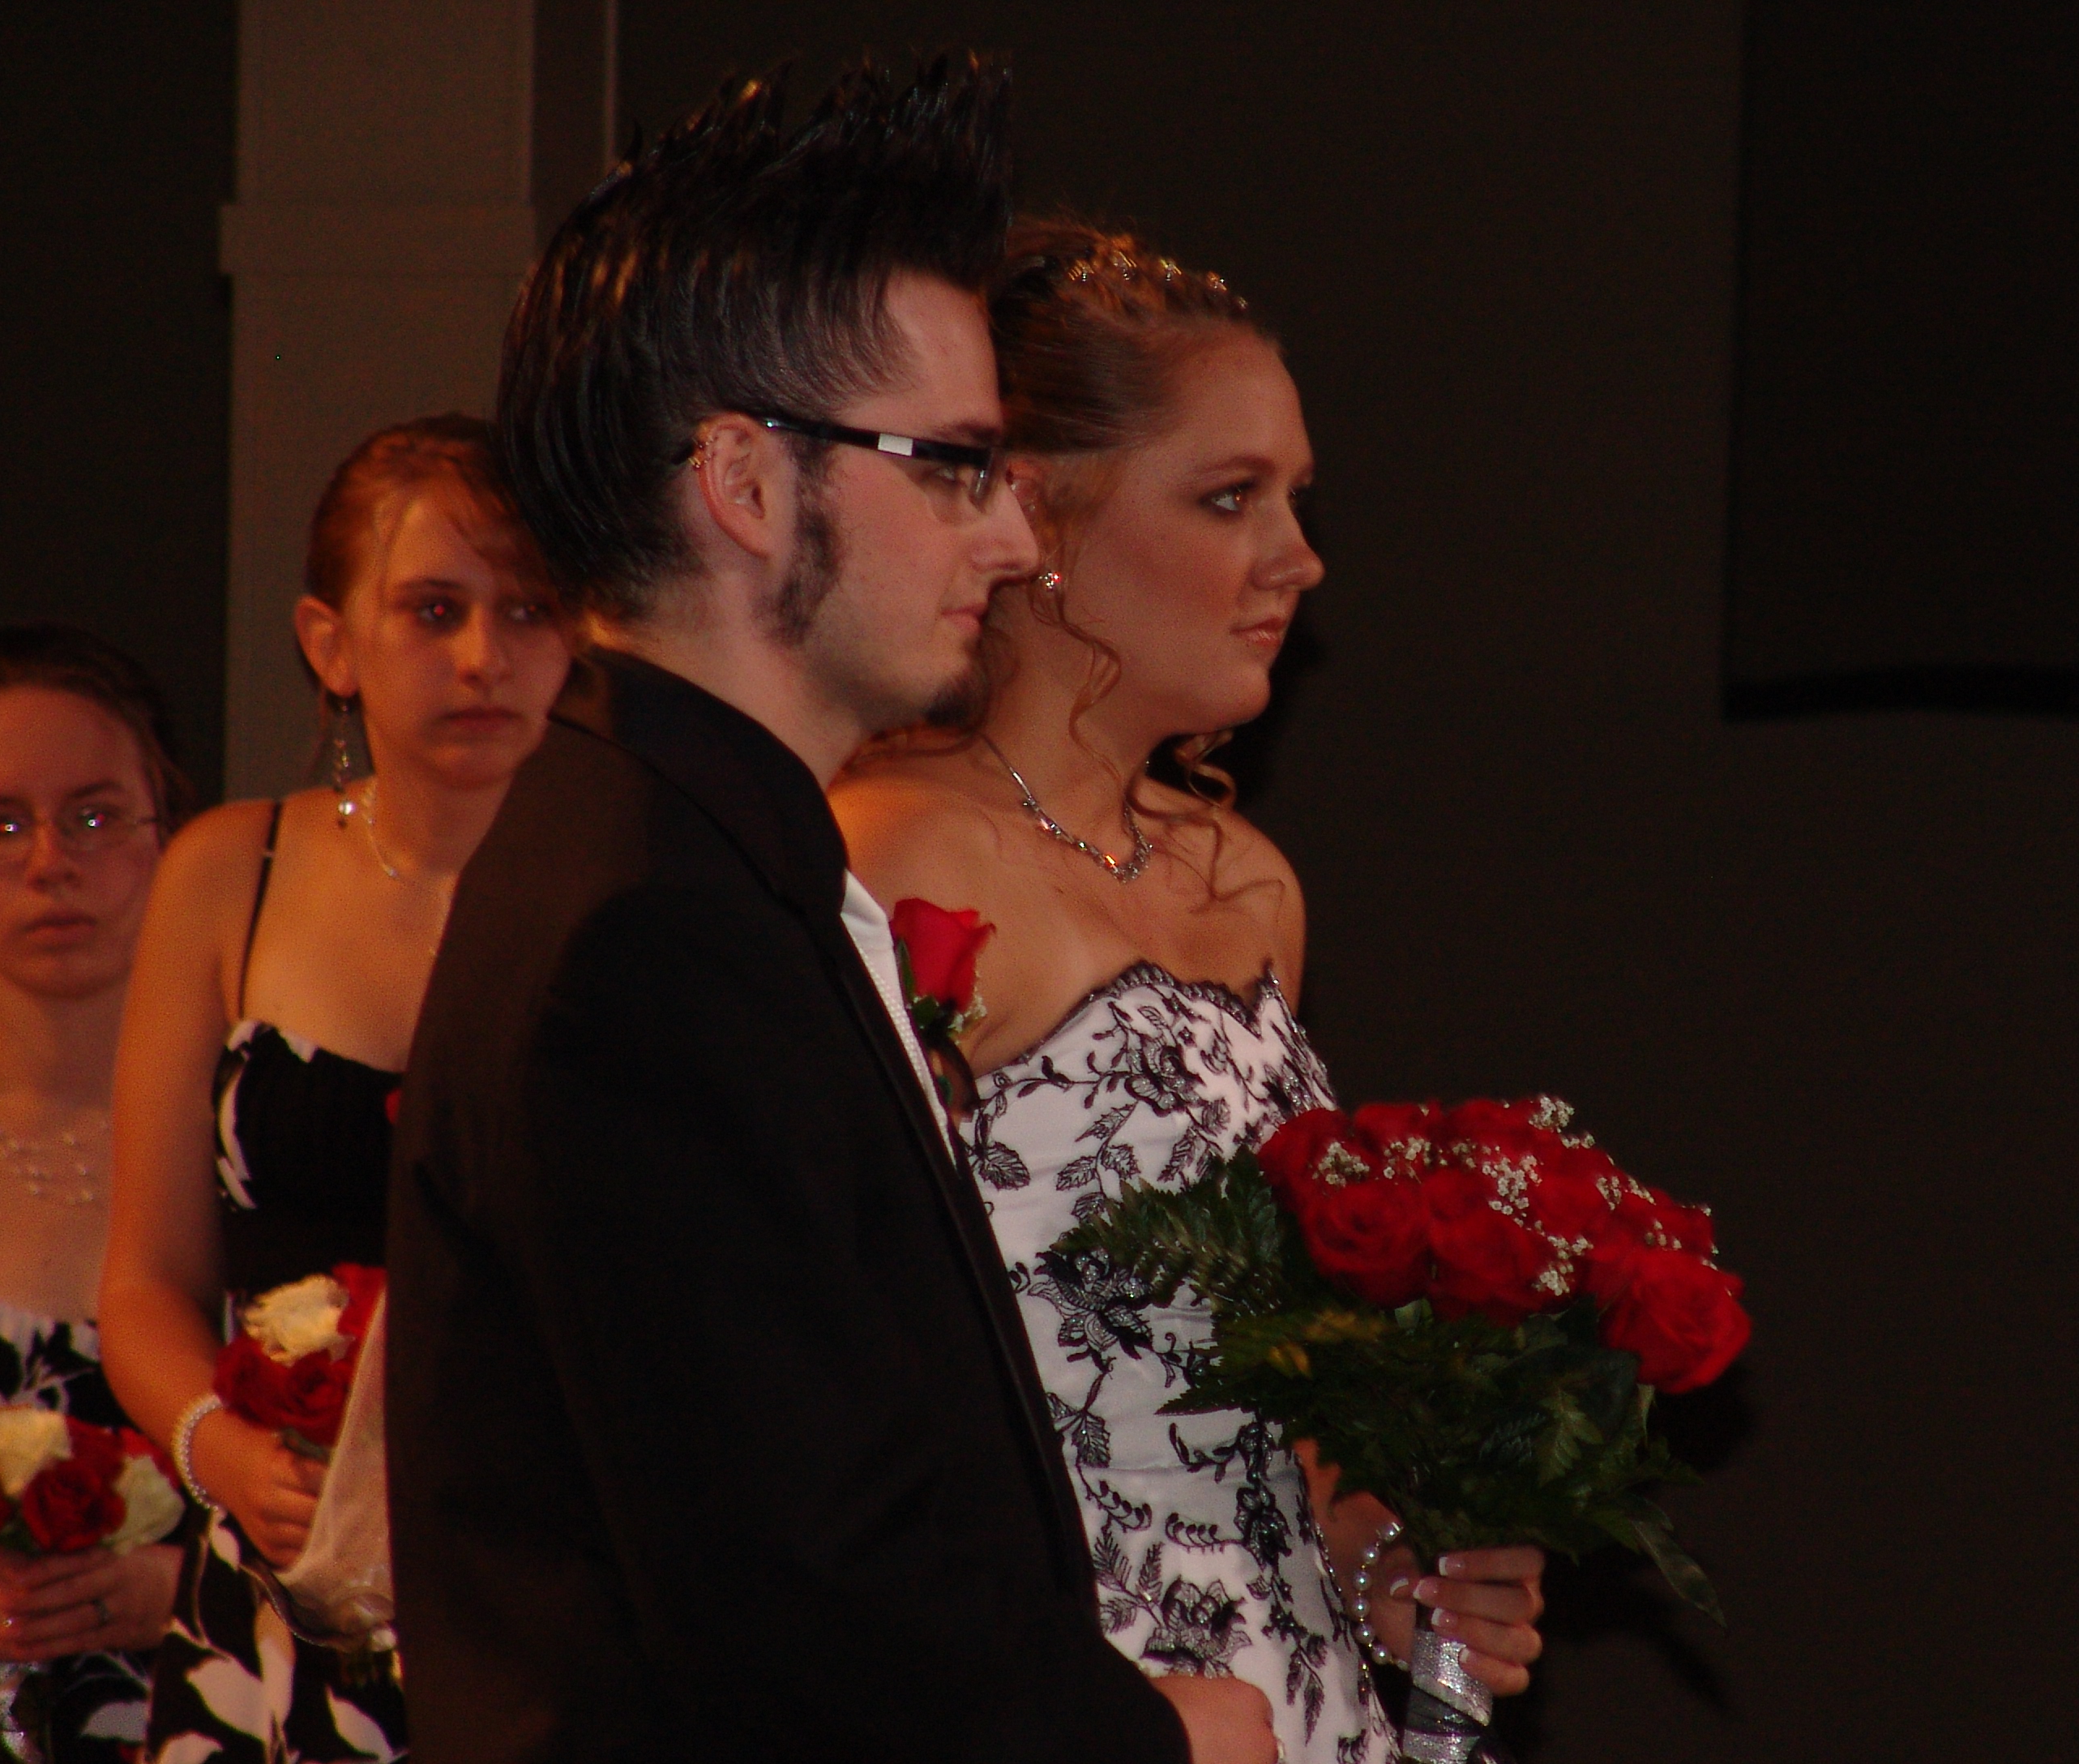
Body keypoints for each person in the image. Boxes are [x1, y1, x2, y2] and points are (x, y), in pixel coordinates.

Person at [384, 61, 1252, 1764]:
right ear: (746, 483)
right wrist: (1154, 1743)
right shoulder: (646, 927)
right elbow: (801, 1602)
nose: (1010, 540)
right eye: (956, 466)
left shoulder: (684, 847)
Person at [832, 220, 1551, 1762]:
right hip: (1065, 1703)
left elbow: (1260, 1403)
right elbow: (836, 1401)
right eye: (1231, 498)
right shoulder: (893, 861)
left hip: (1300, 1707)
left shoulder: (1251, 885)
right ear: (1036, 514)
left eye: (1295, 497)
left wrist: (1377, 1563)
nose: (1298, 557)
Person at [99, 415, 571, 1762]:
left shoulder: (631, 899)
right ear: (330, 641)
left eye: (527, 610)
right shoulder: (224, 873)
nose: (482, 656)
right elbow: (144, 1281)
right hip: (281, 1595)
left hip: (547, 1595)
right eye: (433, 610)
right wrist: (220, 1450)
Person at [0, 625, 198, 1762]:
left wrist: (189, 1584)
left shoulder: (257, 1163)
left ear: (172, 842)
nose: (50, 864)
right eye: (0, 826)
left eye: (94, 817)